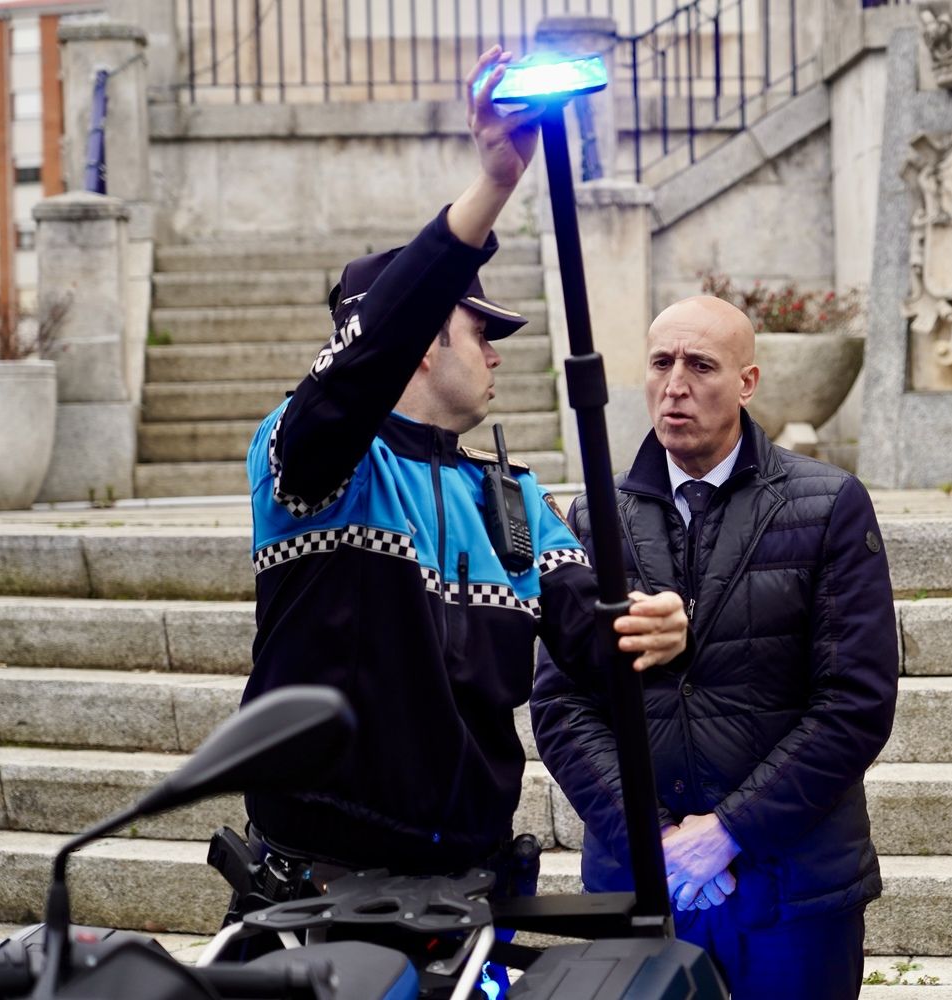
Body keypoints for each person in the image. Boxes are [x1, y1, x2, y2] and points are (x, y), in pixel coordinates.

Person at [235, 47, 689, 899]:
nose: (495, 354)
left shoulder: (509, 497)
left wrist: (657, 630)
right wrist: (493, 187)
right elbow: (359, 365)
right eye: (478, 330)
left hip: (468, 886)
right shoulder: (307, 458)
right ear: (412, 342)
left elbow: (596, 645)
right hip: (319, 895)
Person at [529, 295, 899, 998]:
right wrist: (657, 841)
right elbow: (561, 706)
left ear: (748, 382)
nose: (675, 385)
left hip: (791, 889)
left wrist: (726, 833)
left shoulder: (829, 505)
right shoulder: (592, 516)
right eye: (662, 362)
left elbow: (854, 703)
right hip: (640, 887)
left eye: (700, 365)